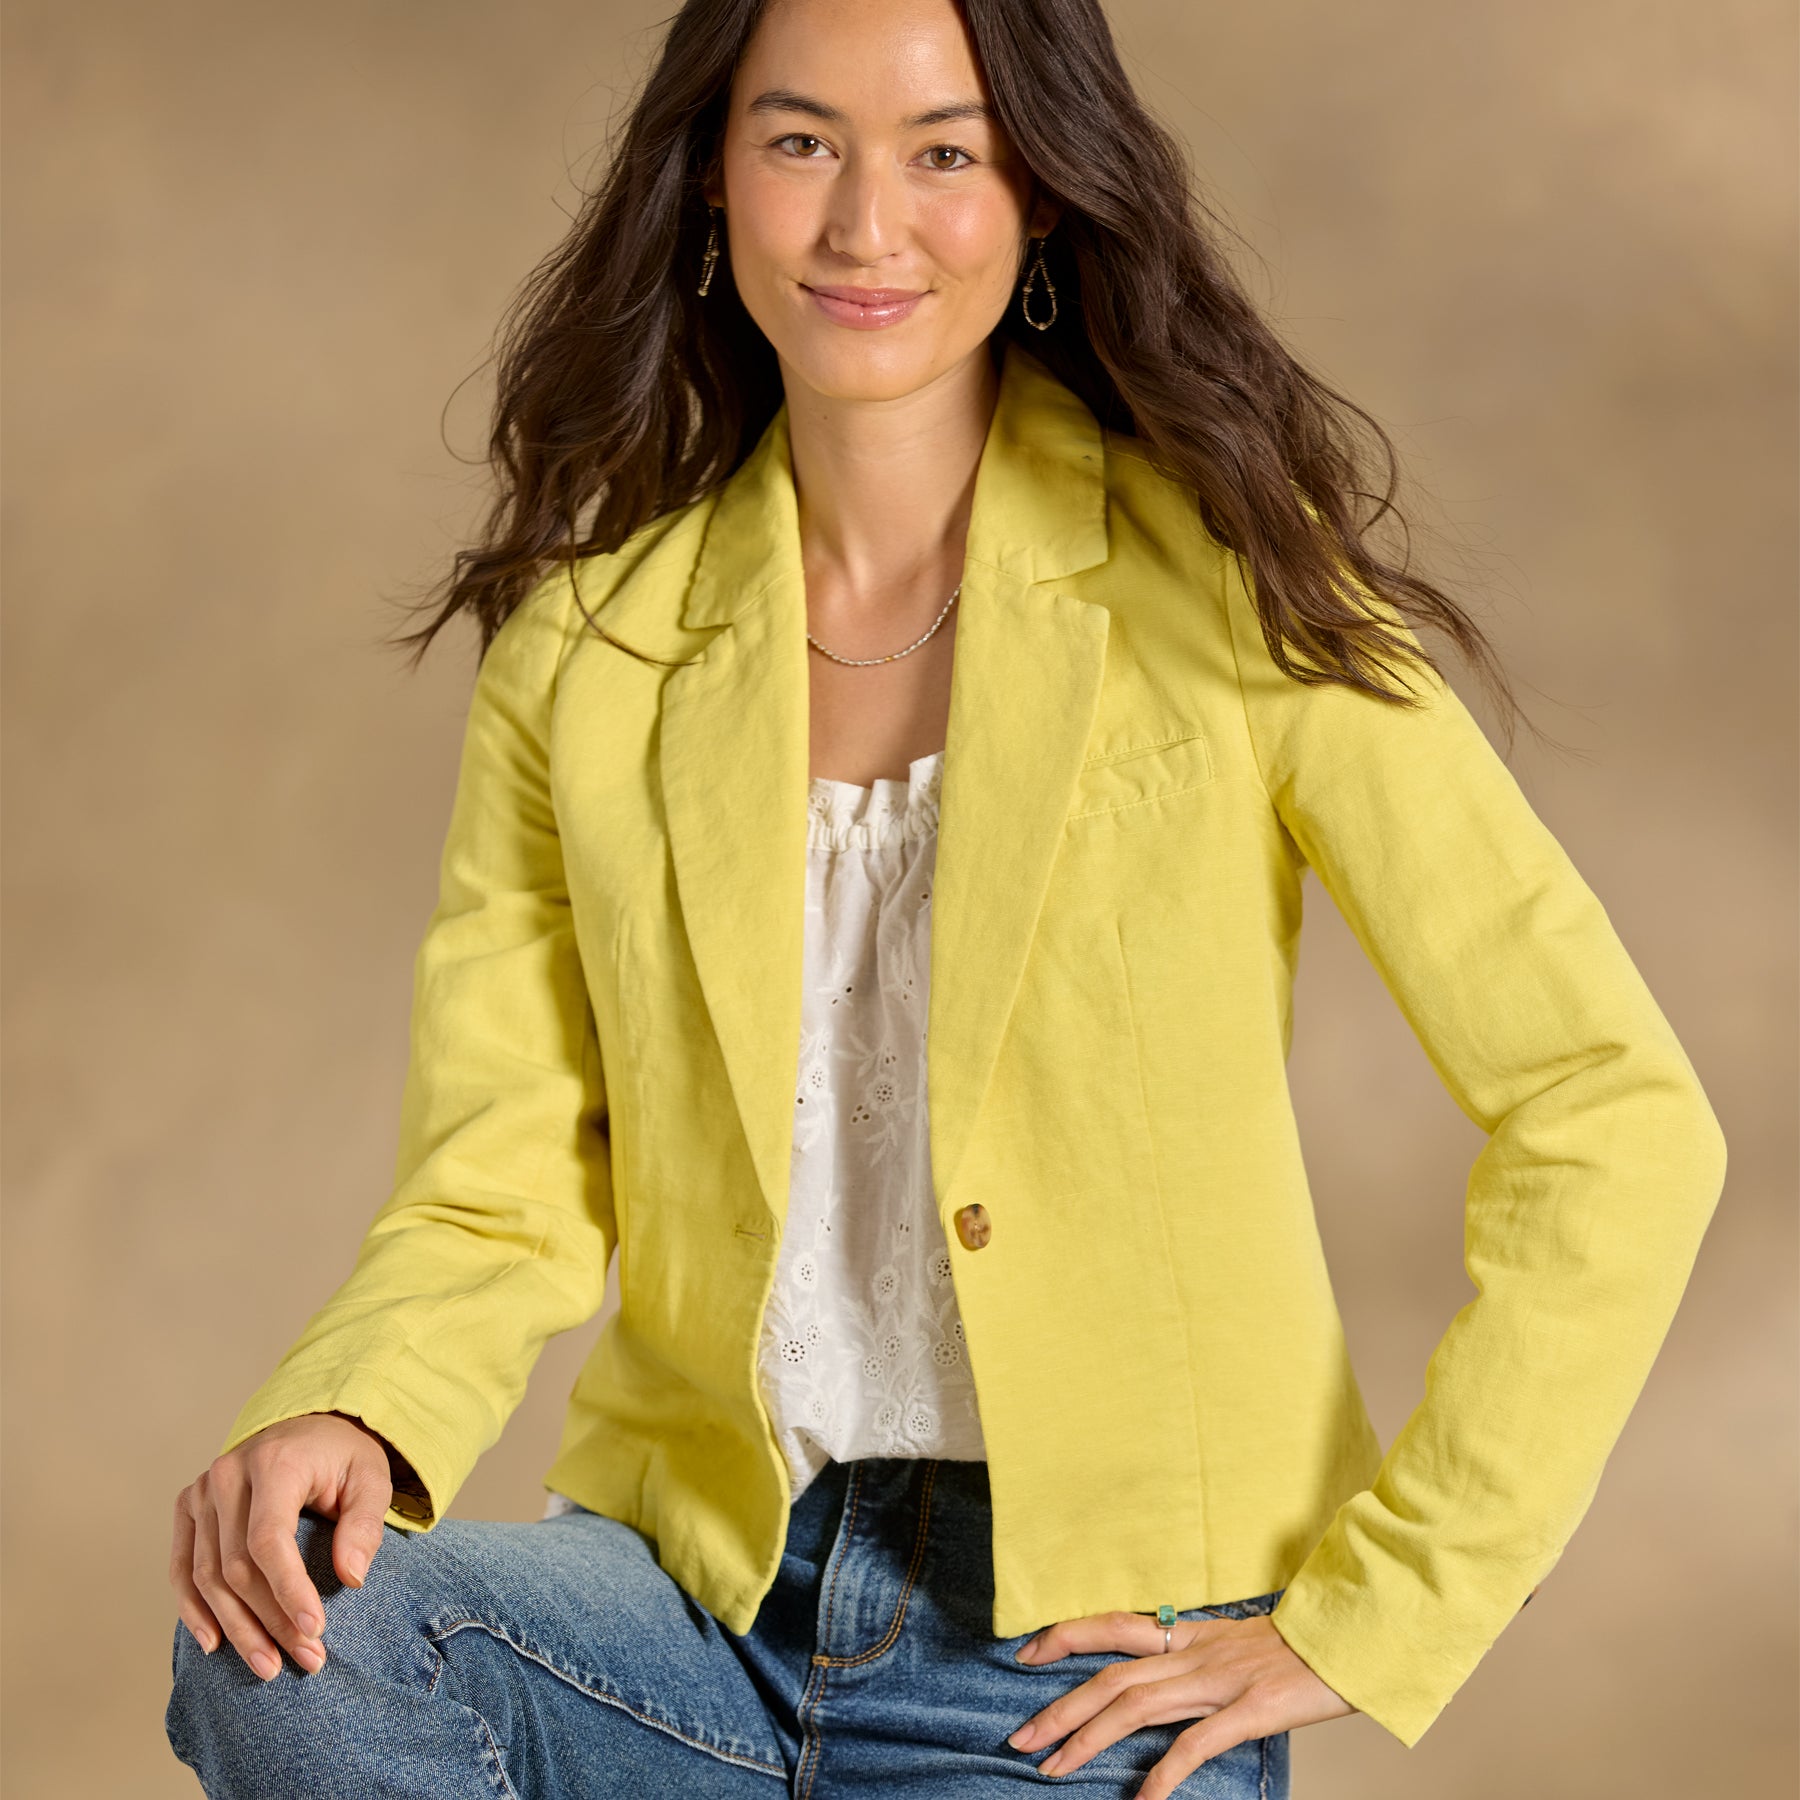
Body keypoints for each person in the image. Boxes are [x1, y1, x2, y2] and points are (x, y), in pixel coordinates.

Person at [163, 0, 1729, 1794]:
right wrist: (351, 1402)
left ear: (1040, 193)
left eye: (945, 151)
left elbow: (1613, 1113)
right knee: (289, 1643)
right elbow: (498, 1180)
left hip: (1082, 1661)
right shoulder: (589, 661)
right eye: (800, 141)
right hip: (692, 1607)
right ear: (711, 178)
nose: (865, 224)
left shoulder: (1236, 595)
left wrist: (1377, 1611)